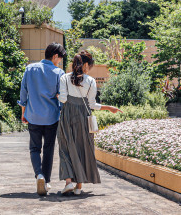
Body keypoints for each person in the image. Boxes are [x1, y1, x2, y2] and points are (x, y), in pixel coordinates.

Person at [57, 51, 122, 195]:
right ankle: (79, 187)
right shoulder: (91, 81)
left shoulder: (64, 78)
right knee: (83, 149)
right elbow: (92, 104)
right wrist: (108, 108)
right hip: (83, 117)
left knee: (65, 148)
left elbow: (62, 99)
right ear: (86, 65)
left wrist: (58, 95)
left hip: (67, 116)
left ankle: (68, 182)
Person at [18, 42, 66, 196]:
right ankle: (46, 181)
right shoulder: (59, 73)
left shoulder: (30, 69)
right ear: (55, 56)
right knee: (49, 149)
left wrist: (23, 112)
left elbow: (23, 93)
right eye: (60, 59)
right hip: (52, 117)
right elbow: (61, 96)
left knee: (34, 148)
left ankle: (39, 174)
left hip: (33, 115)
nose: (60, 62)